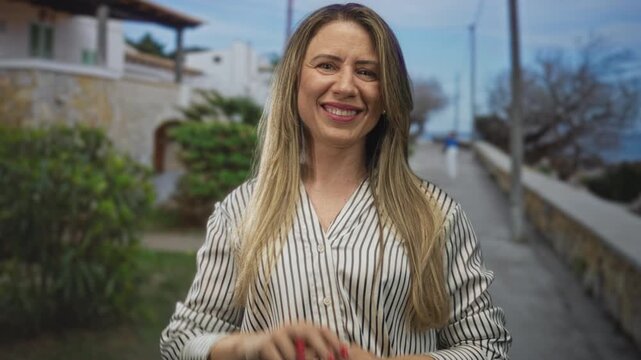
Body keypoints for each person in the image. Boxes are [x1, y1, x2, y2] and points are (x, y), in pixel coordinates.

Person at [160, 3, 511, 360]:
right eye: (327, 65)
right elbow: (181, 340)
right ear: (295, 81)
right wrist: (247, 346)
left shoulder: (436, 215)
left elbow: (487, 346)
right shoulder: (241, 211)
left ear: (387, 94)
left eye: (367, 72)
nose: (345, 86)